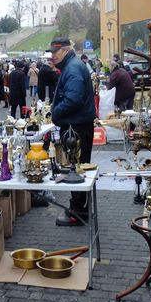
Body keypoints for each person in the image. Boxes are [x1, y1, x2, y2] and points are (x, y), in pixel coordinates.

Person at [47, 38, 96, 227]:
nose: (52, 56)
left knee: (78, 168)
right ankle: (78, 208)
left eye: (55, 52)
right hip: (77, 125)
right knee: (78, 166)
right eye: (51, 53)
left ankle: (79, 212)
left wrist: (56, 113)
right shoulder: (72, 66)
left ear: (66, 51)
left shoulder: (73, 68)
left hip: (76, 127)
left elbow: (73, 99)